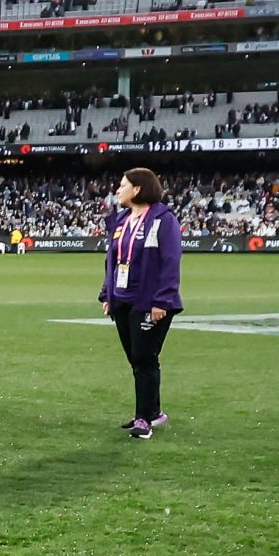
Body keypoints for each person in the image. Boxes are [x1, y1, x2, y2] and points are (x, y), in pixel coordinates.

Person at [99, 167, 182, 438]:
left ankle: (143, 420)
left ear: (137, 189)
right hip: (122, 299)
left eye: (122, 185)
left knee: (144, 359)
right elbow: (112, 260)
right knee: (137, 360)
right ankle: (154, 412)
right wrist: (106, 294)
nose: (118, 190)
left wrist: (162, 301)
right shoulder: (121, 220)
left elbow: (170, 262)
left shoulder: (162, 219)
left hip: (149, 302)